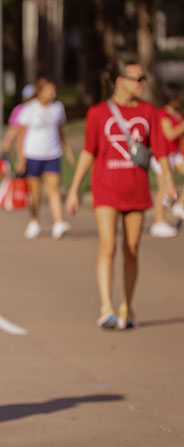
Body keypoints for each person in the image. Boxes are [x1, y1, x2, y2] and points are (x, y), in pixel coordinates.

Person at [65, 57, 177, 329]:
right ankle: (106, 306)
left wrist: (168, 182)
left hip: (136, 189)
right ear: (120, 81)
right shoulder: (98, 113)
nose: (141, 83)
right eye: (136, 79)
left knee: (132, 248)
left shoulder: (148, 112)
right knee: (108, 245)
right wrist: (73, 190)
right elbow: (88, 152)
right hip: (105, 188)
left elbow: (160, 151)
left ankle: (127, 305)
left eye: (143, 79)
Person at [15, 78, 75, 239]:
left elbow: (60, 131)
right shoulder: (29, 109)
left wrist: (68, 152)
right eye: (49, 90)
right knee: (35, 192)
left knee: (53, 188)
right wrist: (21, 158)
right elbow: (20, 136)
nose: (52, 94)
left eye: (54, 91)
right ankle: (34, 221)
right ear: (40, 91)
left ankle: (58, 222)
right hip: (33, 154)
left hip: (53, 154)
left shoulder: (58, 108)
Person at [149, 83, 184, 237]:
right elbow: (169, 134)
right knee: (163, 189)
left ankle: (180, 206)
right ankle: (158, 222)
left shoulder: (177, 113)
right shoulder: (162, 114)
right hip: (162, 155)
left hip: (175, 154)